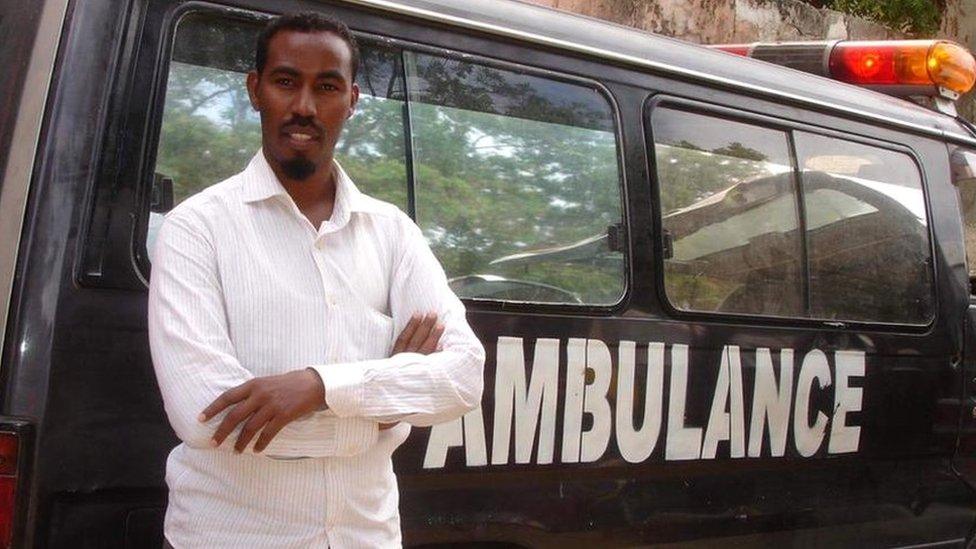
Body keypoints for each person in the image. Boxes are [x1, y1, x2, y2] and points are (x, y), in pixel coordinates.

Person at [147, 12, 485, 548]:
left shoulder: (393, 233)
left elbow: (464, 376)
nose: (304, 106)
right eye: (286, 82)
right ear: (255, 90)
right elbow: (205, 416)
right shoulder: (197, 229)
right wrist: (382, 418)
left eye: (325, 87)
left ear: (351, 100)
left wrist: (319, 387)